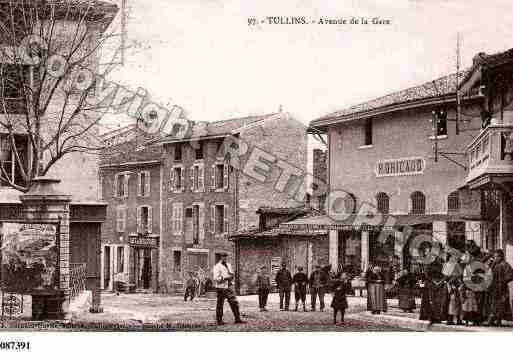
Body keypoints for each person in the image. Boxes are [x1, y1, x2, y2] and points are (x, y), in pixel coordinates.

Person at [212, 253, 246, 325]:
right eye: (223, 257)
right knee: (220, 304)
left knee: (234, 302)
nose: (224, 258)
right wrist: (225, 278)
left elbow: (231, 273)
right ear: (220, 257)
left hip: (229, 286)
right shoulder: (217, 267)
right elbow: (216, 278)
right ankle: (219, 320)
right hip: (221, 287)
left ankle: (237, 318)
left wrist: (232, 276)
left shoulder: (229, 265)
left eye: (225, 257)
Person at [485, 249, 513, 326]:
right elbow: (488, 273)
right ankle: (494, 320)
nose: (495, 258)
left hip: (501, 288)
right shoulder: (494, 265)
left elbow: (510, 275)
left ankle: (497, 320)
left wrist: (504, 282)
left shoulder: (505, 264)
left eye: (497, 256)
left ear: (501, 257)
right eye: (495, 257)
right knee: (492, 303)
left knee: (501, 304)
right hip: (493, 287)